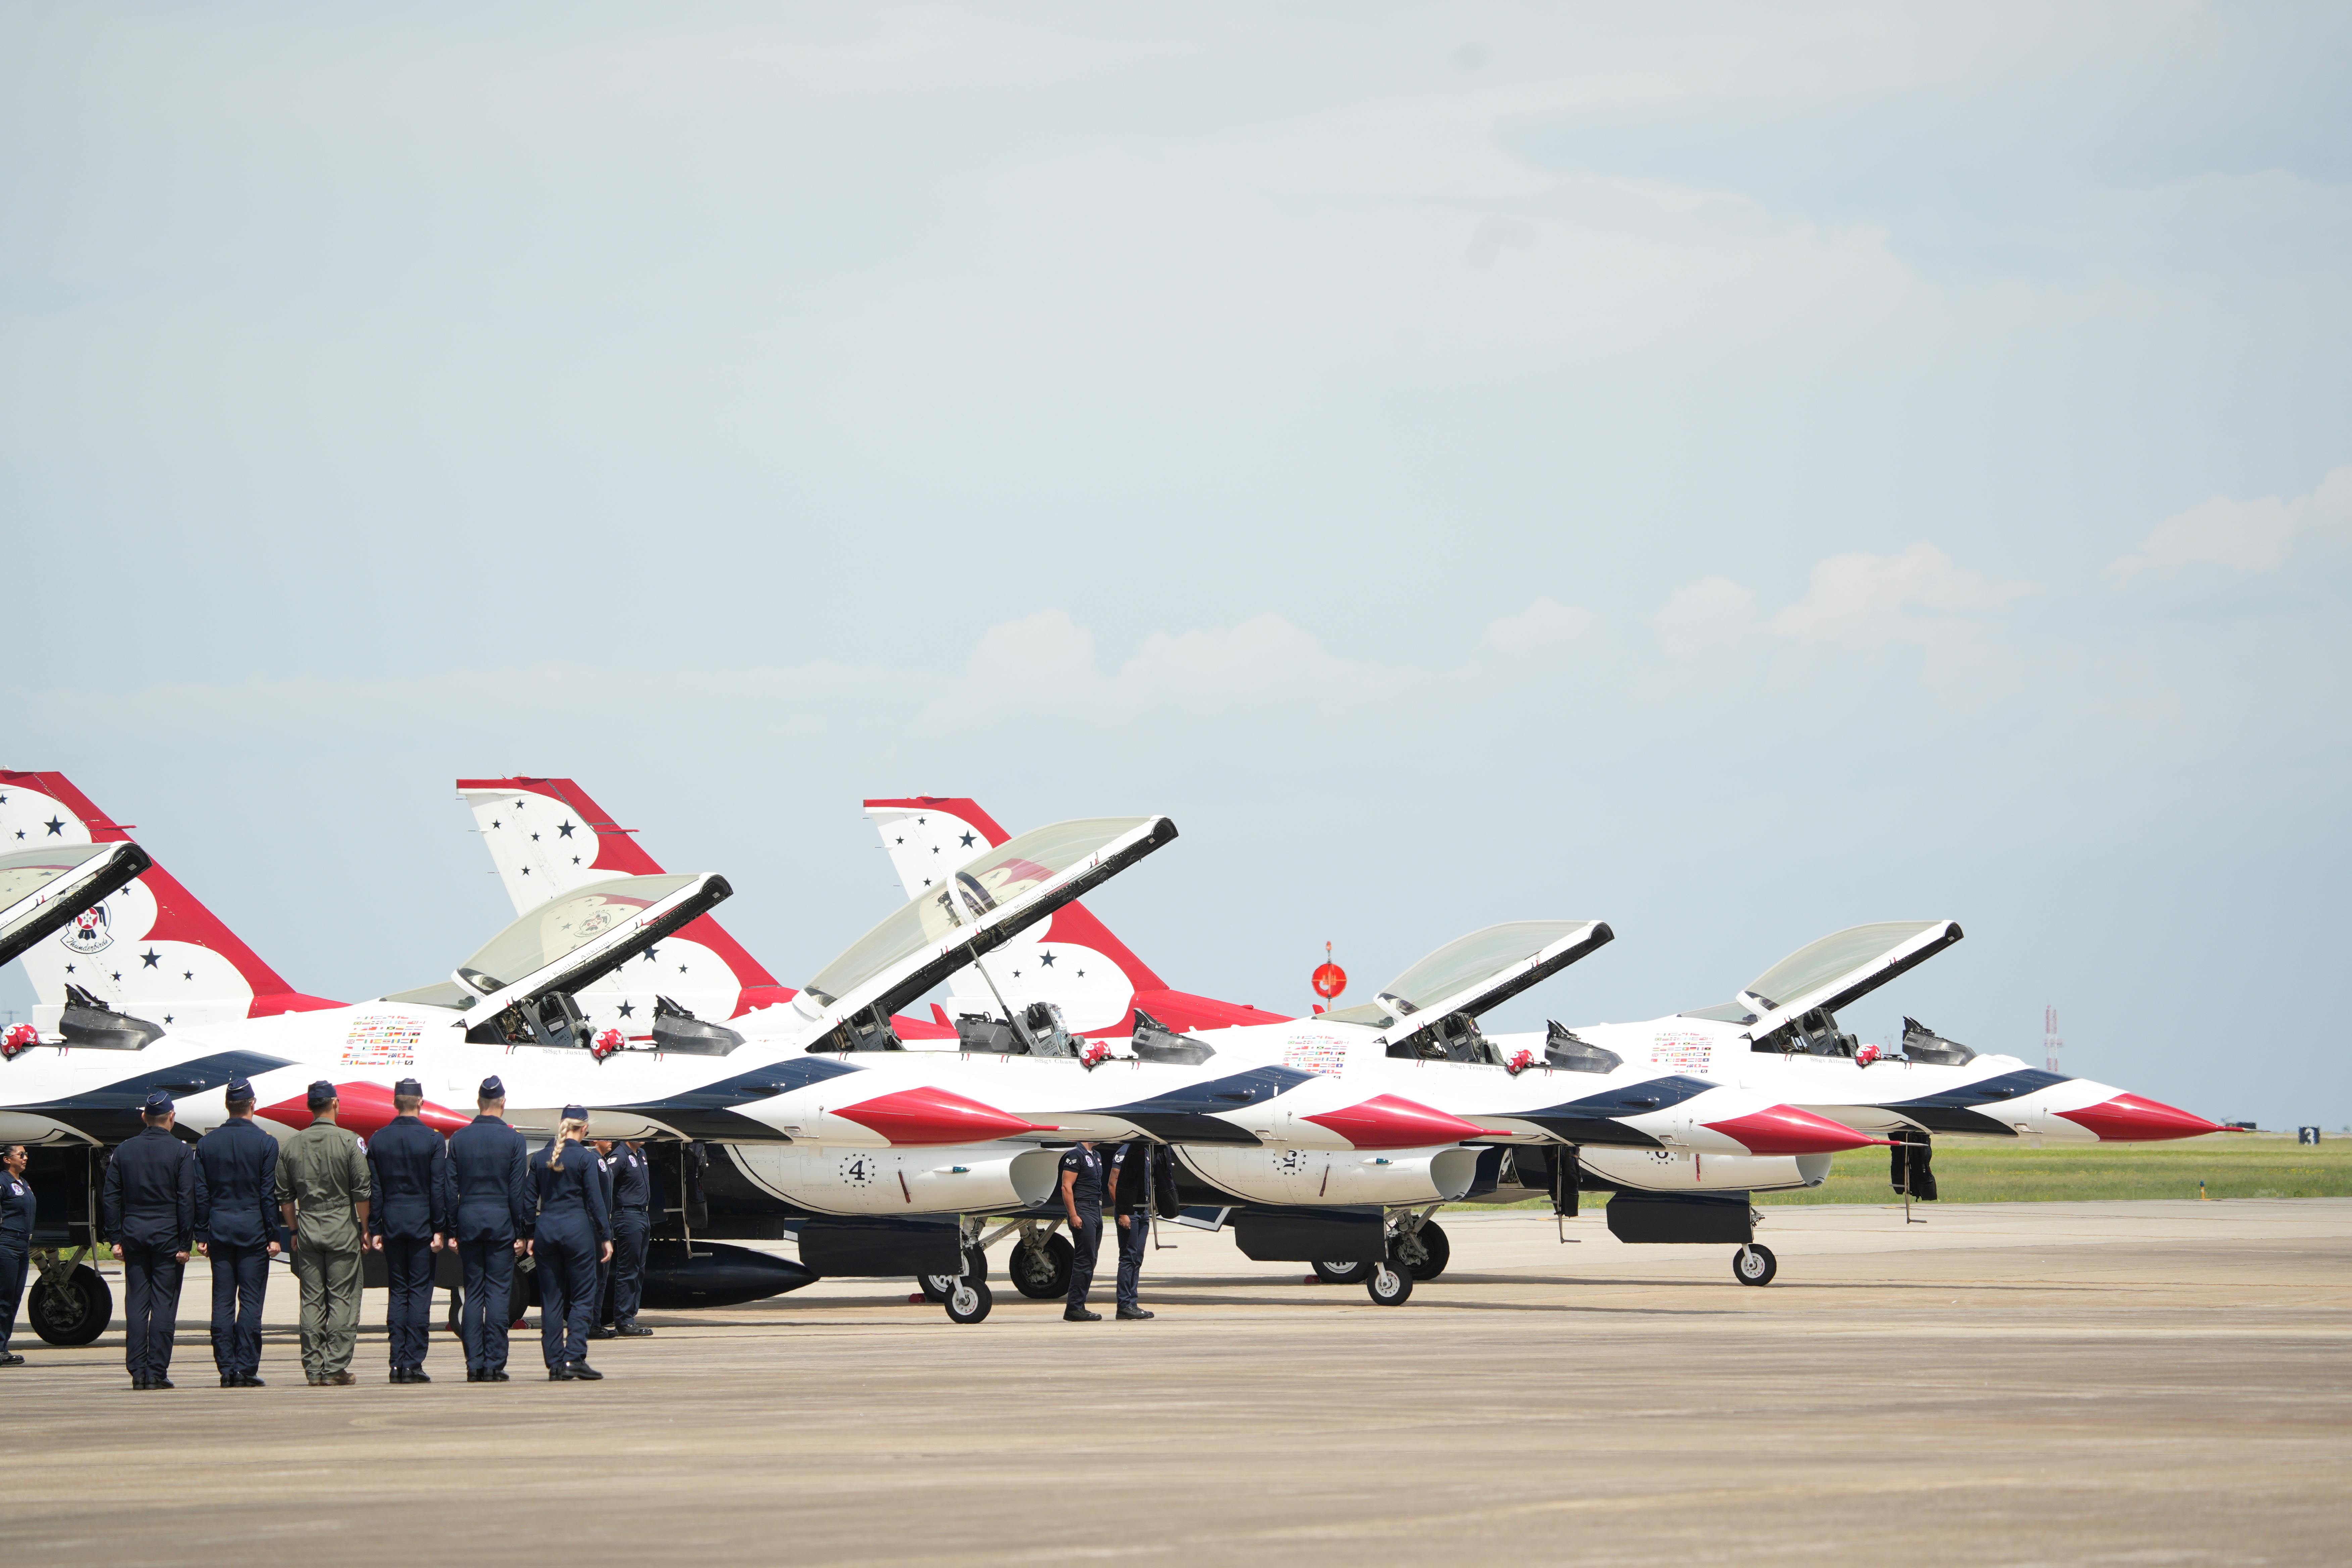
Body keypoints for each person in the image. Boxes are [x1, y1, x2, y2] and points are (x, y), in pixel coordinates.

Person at [102, 1090, 201, 1389]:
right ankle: (156, 1371)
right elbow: (187, 1200)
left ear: (144, 1117)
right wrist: (185, 1243)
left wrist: (115, 1238)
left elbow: (111, 1197)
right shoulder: (181, 1152)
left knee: (136, 1304)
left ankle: (137, 1371)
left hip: (134, 1233)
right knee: (163, 1305)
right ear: (172, 1118)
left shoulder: (124, 1150)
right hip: (167, 1235)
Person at [274, 1080, 371, 1387]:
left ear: (310, 1107)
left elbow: (285, 1197)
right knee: (343, 1297)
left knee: (311, 1299)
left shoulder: (291, 1145)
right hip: (341, 1226)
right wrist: (365, 1228)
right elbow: (362, 1192)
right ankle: (334, 1367)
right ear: (335, 1104)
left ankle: (314, 1368)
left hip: (308, 1226)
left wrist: (293, 1229)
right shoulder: (349, 1141)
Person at [192, 1077, 285, 1386]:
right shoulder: (266, 1143)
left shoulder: (207, 1144)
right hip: (253, 1230)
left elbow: (202, 1194)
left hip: (220, 1229)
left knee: (222, 1301)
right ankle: (246, 1367)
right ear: (252, 1104)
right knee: (251, 1302)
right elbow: (267, 1194)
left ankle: (226, 1368)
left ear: (227, 1106)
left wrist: (201, 1233)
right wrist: (274, 1234)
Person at [447, 1075, 533, 1383]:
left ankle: (474, 1364)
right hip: (500, 1222)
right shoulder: (514, 1140)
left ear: (478, 1103)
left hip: (469, 1220)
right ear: (503, 1103)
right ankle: (494, 1363)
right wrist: (522, 1231)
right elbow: (517, 1192)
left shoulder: (459, 1139)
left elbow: (450, 1189)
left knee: (474, 1293)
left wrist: (452, 1228)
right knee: (498, 1293)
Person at [367, 1077, 451, 1383]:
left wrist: (375, 1226)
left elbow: (376, 1189)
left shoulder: (379, 1139)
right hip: (422, 1225)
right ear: (421, 1103)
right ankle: (412, 1362)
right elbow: (438, 1189)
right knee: (419, 1293)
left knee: (398, 1291)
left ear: (394, 1103)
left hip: (392, 1222)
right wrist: (440, 1227)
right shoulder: (432, 1140)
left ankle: (396, 1361)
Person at [529, 1107, 611, 1380]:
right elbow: (596, 1202)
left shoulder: (541, 1158)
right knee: (583, 1295)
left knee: (551, 1299)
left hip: (546, 1230)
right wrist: (606, 1236)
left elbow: (528, 1200)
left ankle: (555, 1363)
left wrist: (527, 1234)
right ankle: (574, 1357)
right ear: (584, 1128)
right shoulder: (586, 1158)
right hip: (577, 1232)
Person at [604, 1139, 656, 1337]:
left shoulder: (641, 1154)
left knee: (639, 1269)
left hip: (643, 1214)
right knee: (628, 1269)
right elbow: (606, 1183)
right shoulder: (620, 1156)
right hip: (627, 1215)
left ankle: (630, 1316)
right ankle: (624, 1320)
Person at [1104, 1139, 1157, 1322]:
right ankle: (1124, 1305)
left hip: (1143, 1211)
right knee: (1128, 1257)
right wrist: (1123, 1212)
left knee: (1137, 1258)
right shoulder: (1125, 1152)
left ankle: (1132, 1303)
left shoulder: (1147, 1152)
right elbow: (1113, 1183)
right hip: (1130, 1212)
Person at [1058, 1139, 1105, 1323]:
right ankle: (1075, 1308)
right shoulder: (1075, 1155)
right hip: (1083, 1209)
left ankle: (1079, 1305)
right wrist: (1073, 1215)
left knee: (1091, 1259)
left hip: (1096, 1209)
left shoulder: (1096, 1156)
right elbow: (1066, 1186)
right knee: (1084, 1260)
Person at [0, 1143, 33, 1367]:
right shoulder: (3, 1182)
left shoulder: (24, 1183)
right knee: (4, 1297)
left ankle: (3, 1347)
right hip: (7, 1244)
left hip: (23, 1246)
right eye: (21, 1155)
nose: (25, 1158)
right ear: (7, 1159)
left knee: (14, 1298)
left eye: (26, 1154)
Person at [587, 1137, 618, 1341]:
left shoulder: (603, 1161)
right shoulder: (592, 1160)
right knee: (596, 1277)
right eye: (605, 1138)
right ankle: (590, 1324)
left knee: (602, 1279)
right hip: (595, 1225)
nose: (611, 1141)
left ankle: (595, 1323)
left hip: (605, 1222)